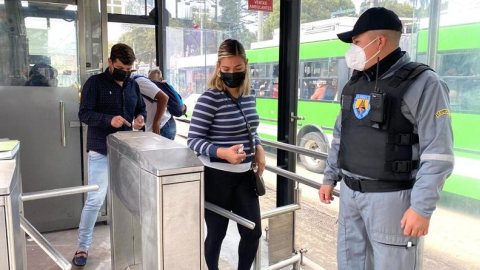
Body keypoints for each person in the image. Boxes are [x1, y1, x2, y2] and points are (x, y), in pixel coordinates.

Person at [318, 7, 454, 270]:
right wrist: (329, 177)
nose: (352, 49)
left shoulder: (424, 83)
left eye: (356, 42)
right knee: (349, 263)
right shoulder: (355, 83)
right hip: (350, 194)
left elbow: (439, 154)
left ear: (379, 42)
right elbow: (340, 136)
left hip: (392, 200)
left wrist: (422, 208)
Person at [187, 39, 266, 270]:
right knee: (216, 234)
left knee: (253, 232)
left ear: (246, 66)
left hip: (244, 176)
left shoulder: (250, 95)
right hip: (216, 177)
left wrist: (258, 146)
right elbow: (193, 140)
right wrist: (222, 152)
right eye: (227, 69)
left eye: (238, 69)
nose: (233, 74)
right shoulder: (209, 99)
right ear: (218, 67)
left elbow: (251, 128)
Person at [74, 43, 146, 267]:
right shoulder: (95, 83)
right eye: (121, 67)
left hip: (127, 151)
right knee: (95, 199)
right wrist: (109, 120)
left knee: (132, 198)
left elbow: (140, 108)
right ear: (110, 62)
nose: (125, 72)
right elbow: (84, 114)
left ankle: (134, 243)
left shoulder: (133, 85)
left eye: (129, 68)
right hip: (101, 149)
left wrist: (141, 118)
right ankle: (82, 247)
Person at [148, 68, 187, 139]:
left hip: (165, 125)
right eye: (150, 80)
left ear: (161, 79)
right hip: (168, 124)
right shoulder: (169, 87)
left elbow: (165, 99)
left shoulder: (162, 88)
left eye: (154, 81)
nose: (152, 83)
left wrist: (156, 122)